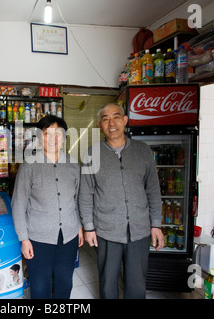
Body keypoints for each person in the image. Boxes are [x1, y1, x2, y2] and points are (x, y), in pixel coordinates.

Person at [79, 103, 164, 299]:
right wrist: (89, 227)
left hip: (140, 228)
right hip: (107, 229)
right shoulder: (92, 154)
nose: (112, 123)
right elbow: (86, 193)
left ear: (125, 120)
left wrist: (156, 224)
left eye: (116, 117)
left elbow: (153, 189)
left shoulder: (143, 151)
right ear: (100, 125)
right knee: (108, 283)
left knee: (136, 284)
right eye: (106, 119)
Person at [11, 115, 83, 299]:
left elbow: (77, 199)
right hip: (38, 239)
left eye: (57, 133)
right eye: (46, 133)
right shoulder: (29, 166)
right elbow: (18, 204)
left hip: (69, 236)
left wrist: (80, 227)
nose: (52, 138)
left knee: (64, 283)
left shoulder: (73, 164)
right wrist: (24, 239)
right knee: (40, 286)